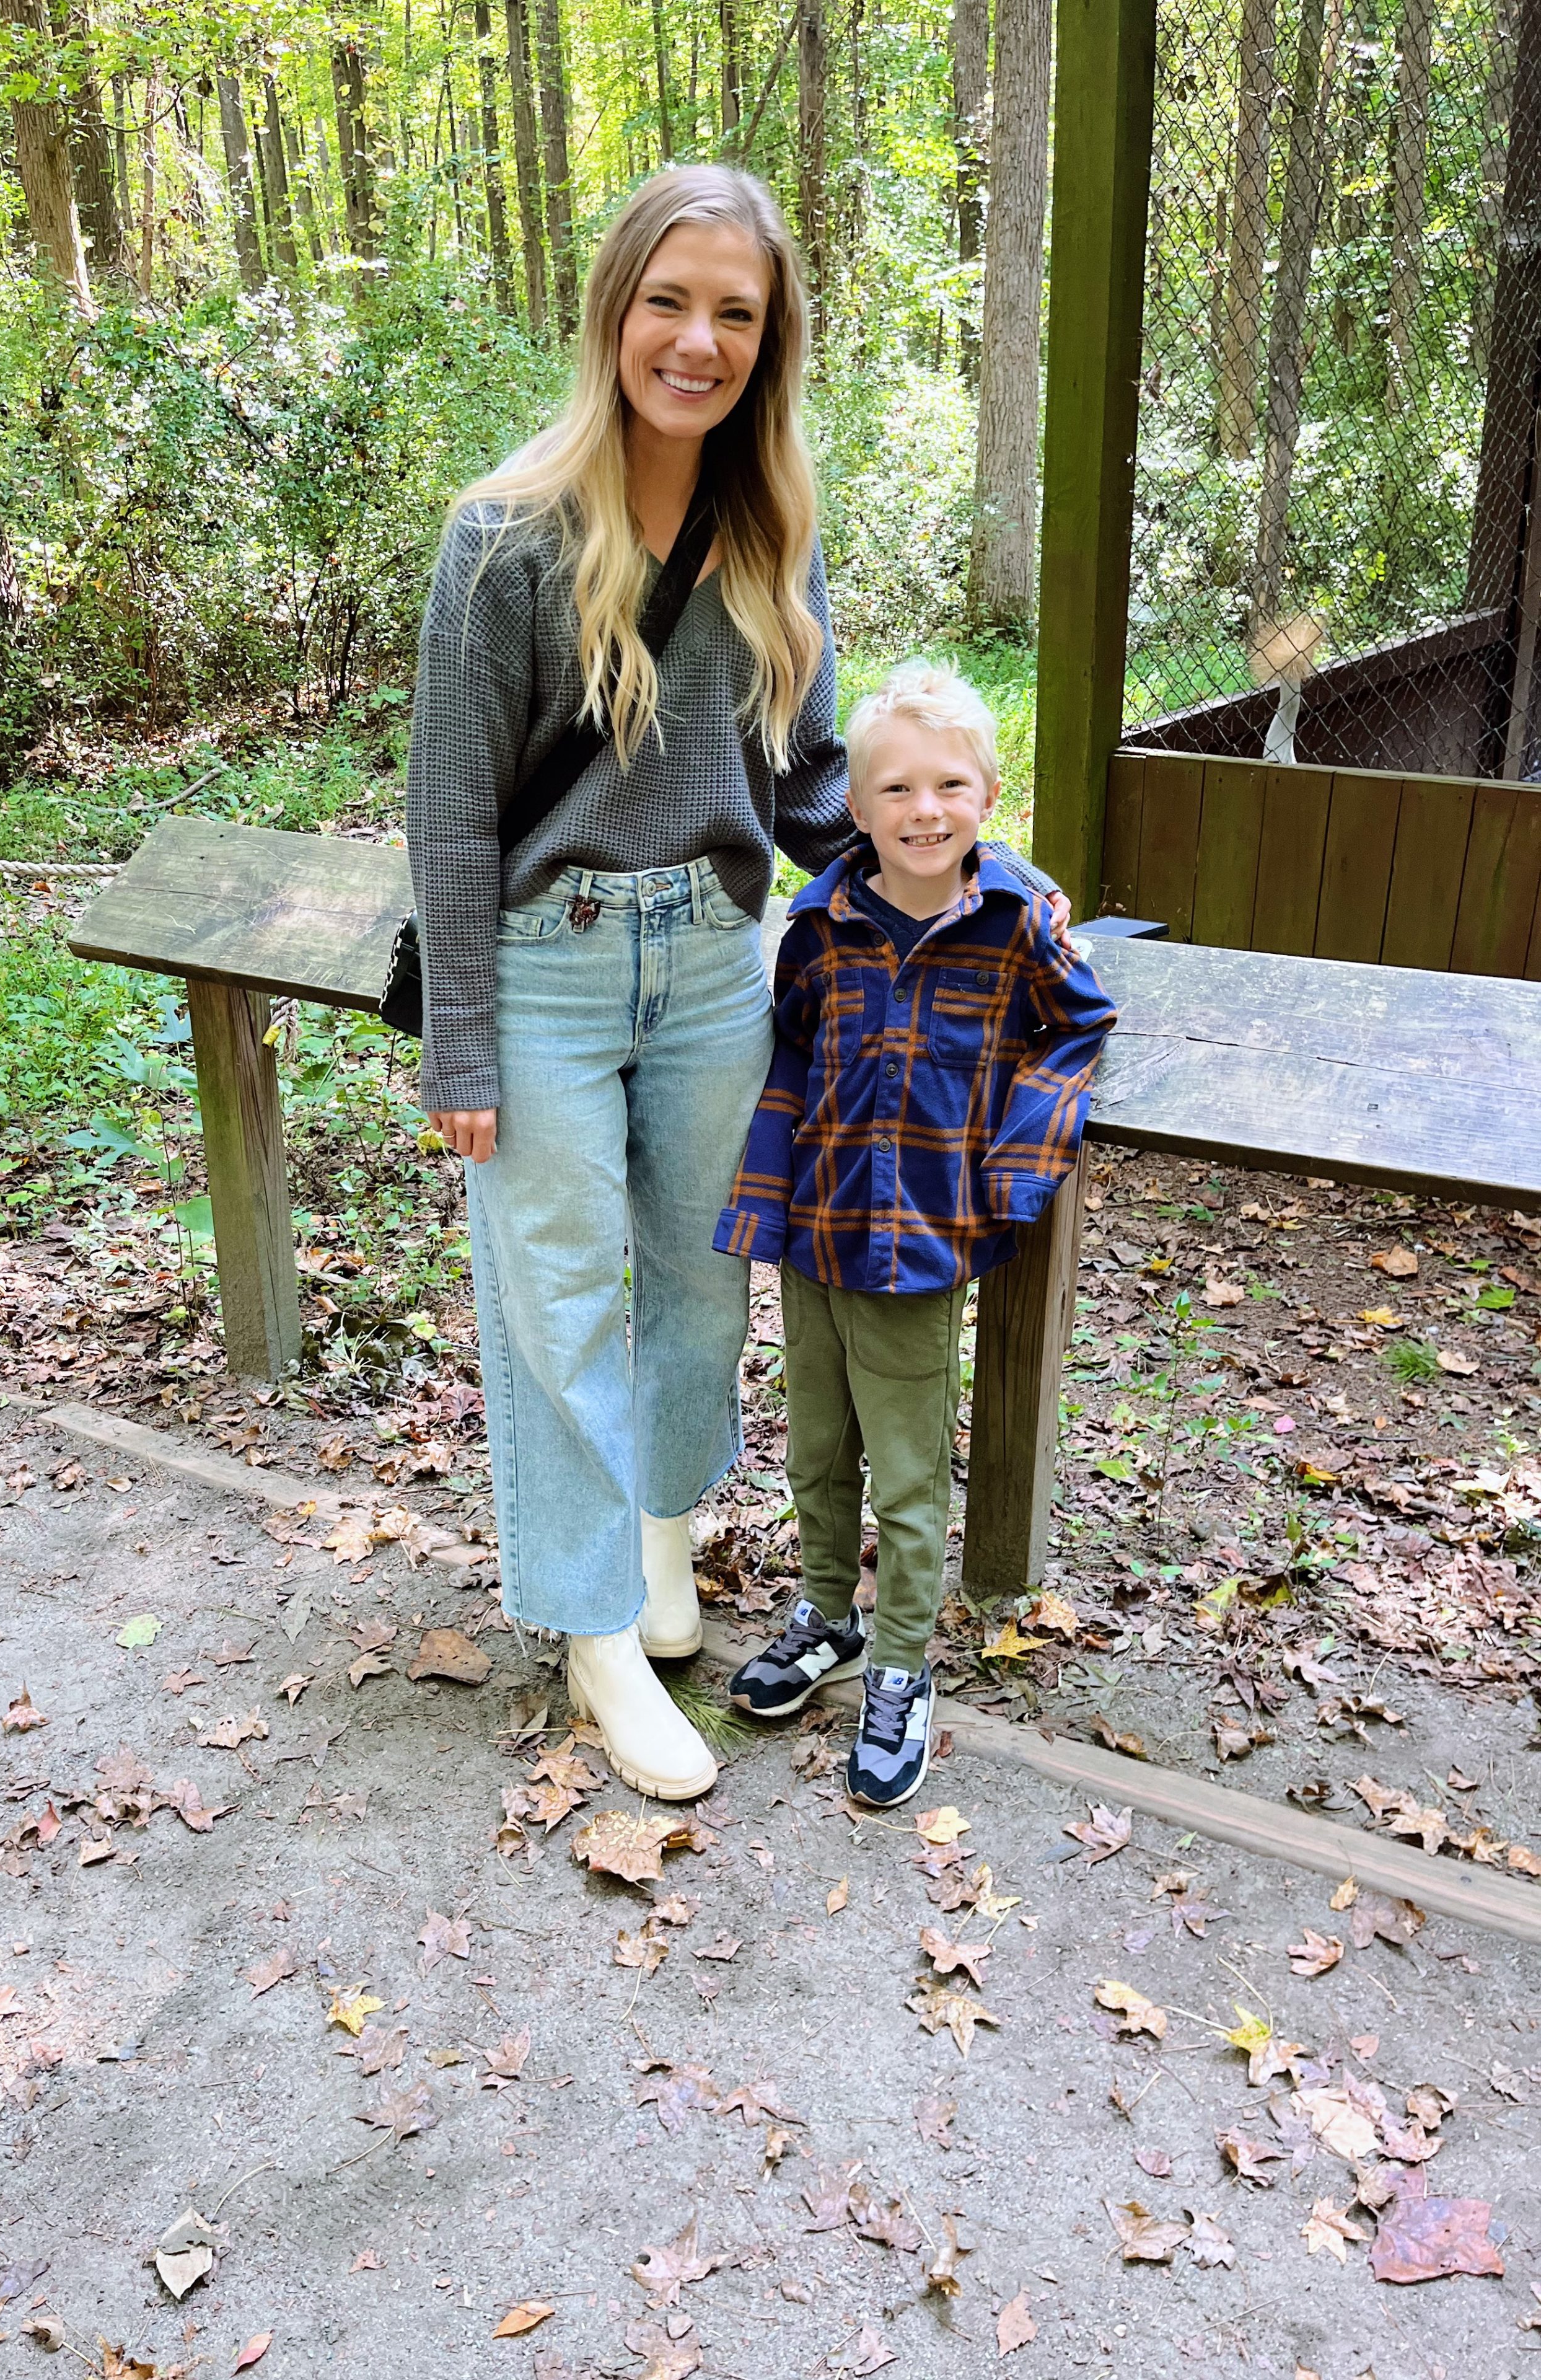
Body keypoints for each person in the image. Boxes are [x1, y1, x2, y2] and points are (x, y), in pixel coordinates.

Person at [405, 166, 1068, 1804]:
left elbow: (811, 779)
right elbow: (450, 808)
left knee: (705, 1279)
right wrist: (463, 1048)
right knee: (557, 1307)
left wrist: (973, 875)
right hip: (547, 968)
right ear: (614, 308)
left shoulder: (777, 521)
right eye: (669, 302)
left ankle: (660, 1531)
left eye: (736, 314)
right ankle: (594, 1635)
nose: (696, 340)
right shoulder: (504, 535)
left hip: (714, 959)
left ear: (770, 342)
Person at [714, 662, 1117, 1808]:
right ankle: (828, 1616)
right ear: (859, 805)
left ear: (987, 795)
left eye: (948, 785)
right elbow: (793, 1048)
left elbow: (1078, 1032)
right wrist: (767, 1198)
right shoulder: (821, 924)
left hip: (919, 1245)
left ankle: (900, 1663)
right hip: (817, 1230)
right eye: (894, 789)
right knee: (815, 1450)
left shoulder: (1013, 924)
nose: (923, 811)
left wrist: (1016, 1165)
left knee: (904, 1472)